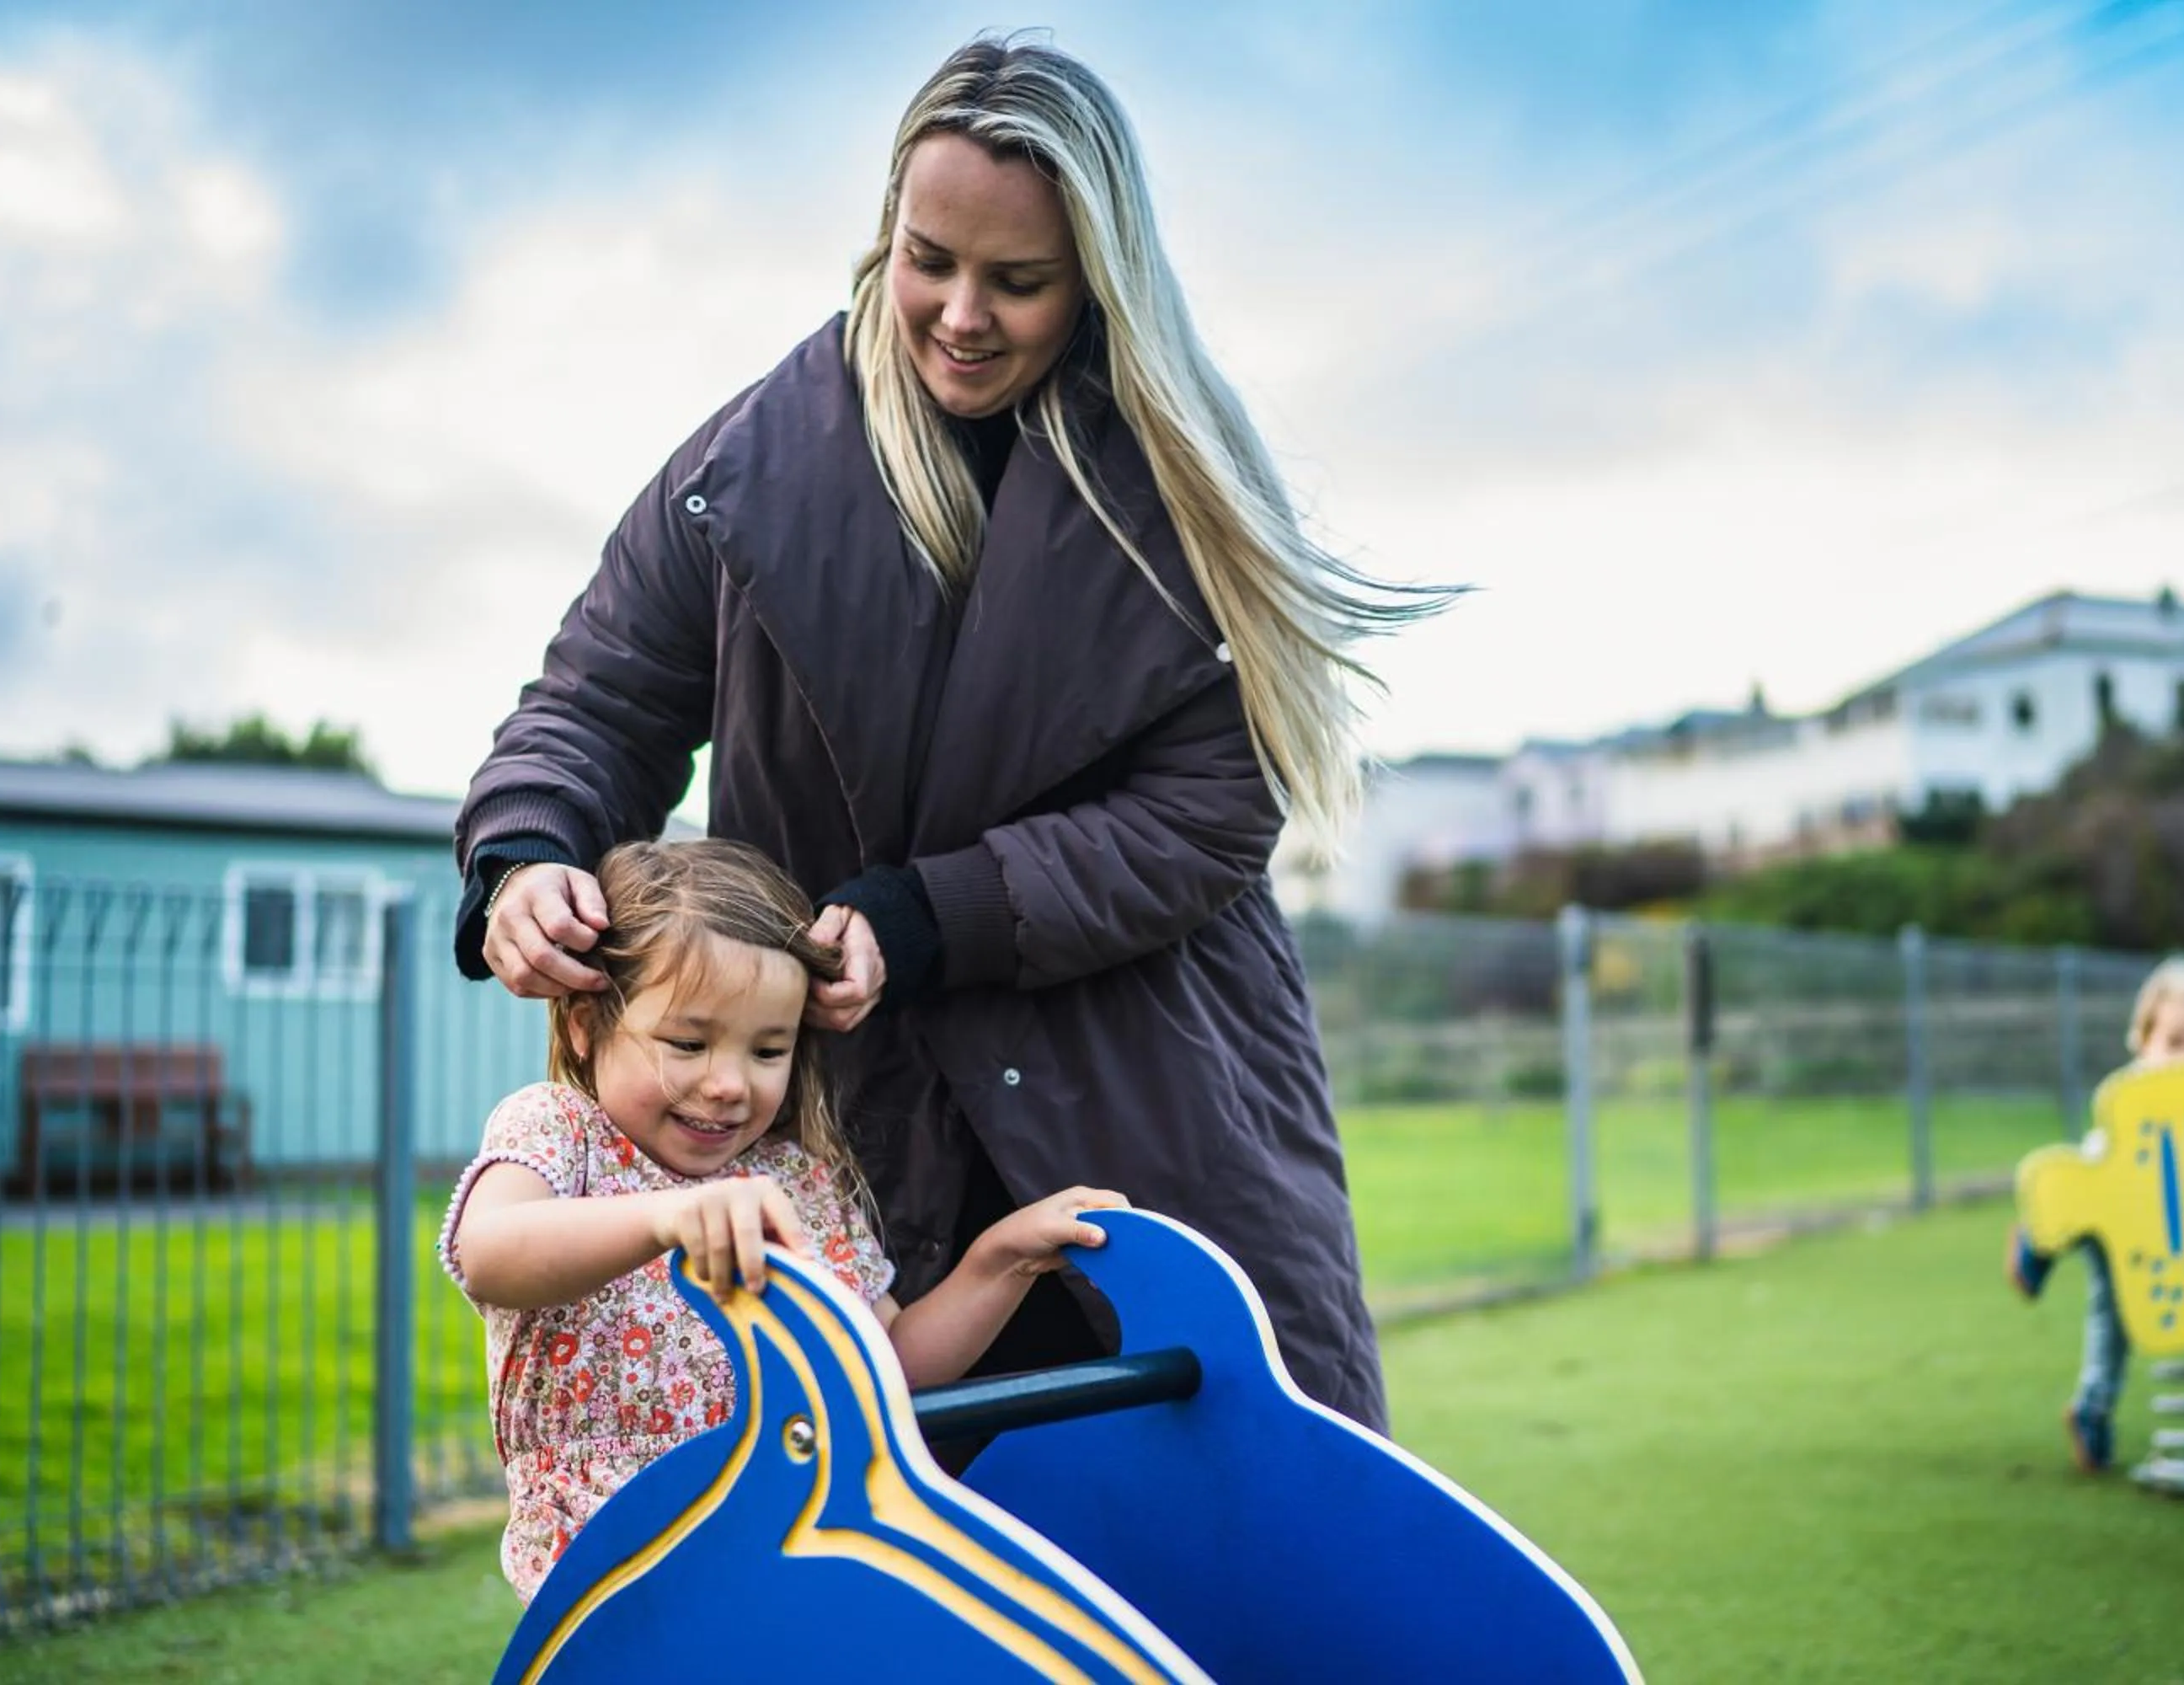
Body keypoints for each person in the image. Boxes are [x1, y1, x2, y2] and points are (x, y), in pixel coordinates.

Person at [454, 35, 1442, 1433]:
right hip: (859, 1139)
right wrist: (527, 848)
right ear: (885, 237)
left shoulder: (1187, 483)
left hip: (1148, 1104)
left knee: (1216, 1553)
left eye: (1019, 281)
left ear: (1098, 280)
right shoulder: (745, 469)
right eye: (931, 260)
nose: (963, 314)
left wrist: (932, 916)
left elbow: (1212, 812)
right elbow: (597, 699)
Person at [440, 838, 1125, 1602]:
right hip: (614, 1576)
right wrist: (670, 1217)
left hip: (786, 1552)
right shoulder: (561, 1132)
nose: (730, 1084)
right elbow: (489, 1253)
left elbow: (884, 1366)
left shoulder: (792, 1177)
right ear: (584, 1025)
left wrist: (1000, 1262)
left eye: (769, 1049)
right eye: (688, 1043)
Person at [2005, 948, 2184, 1471]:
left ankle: (2091, 1407)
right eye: (2173, 1042)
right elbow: (2099, 1169)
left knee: (2121, 1314)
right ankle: (2039, 1243)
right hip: (2115, 1208)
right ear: (2142, 1043)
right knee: (2108, 1296)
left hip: (2168, 1231)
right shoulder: (2131, 1097)